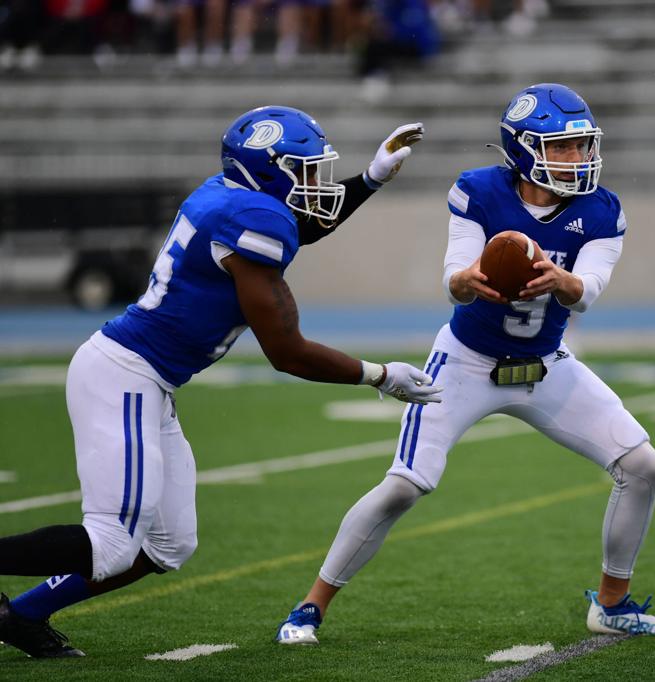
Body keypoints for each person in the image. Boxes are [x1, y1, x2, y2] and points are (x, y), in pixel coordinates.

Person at [0, 106, 441, 658]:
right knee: (111, 544)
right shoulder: (254, 220)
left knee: (168, 545)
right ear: (269, 171)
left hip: (147, 379)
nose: (315, 183)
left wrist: (371, 178)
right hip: (124, 375)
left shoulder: (232, 195)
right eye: (303, 171)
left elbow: (298, 223)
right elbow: (286, 351)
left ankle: (22, 615)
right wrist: (378, 375)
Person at [273, 83, 655, 645]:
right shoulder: (478, 191)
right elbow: (454, 278)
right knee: (404, 486)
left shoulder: (602, 211)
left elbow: (586, 292)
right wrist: (464, 280)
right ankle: (309, 606)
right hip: (466, 362)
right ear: (522, 149)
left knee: (644, 466)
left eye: (581, 146)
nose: (577, 158)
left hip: (546, 365)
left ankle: (611, 604)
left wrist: (566, 282)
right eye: (561, 147)